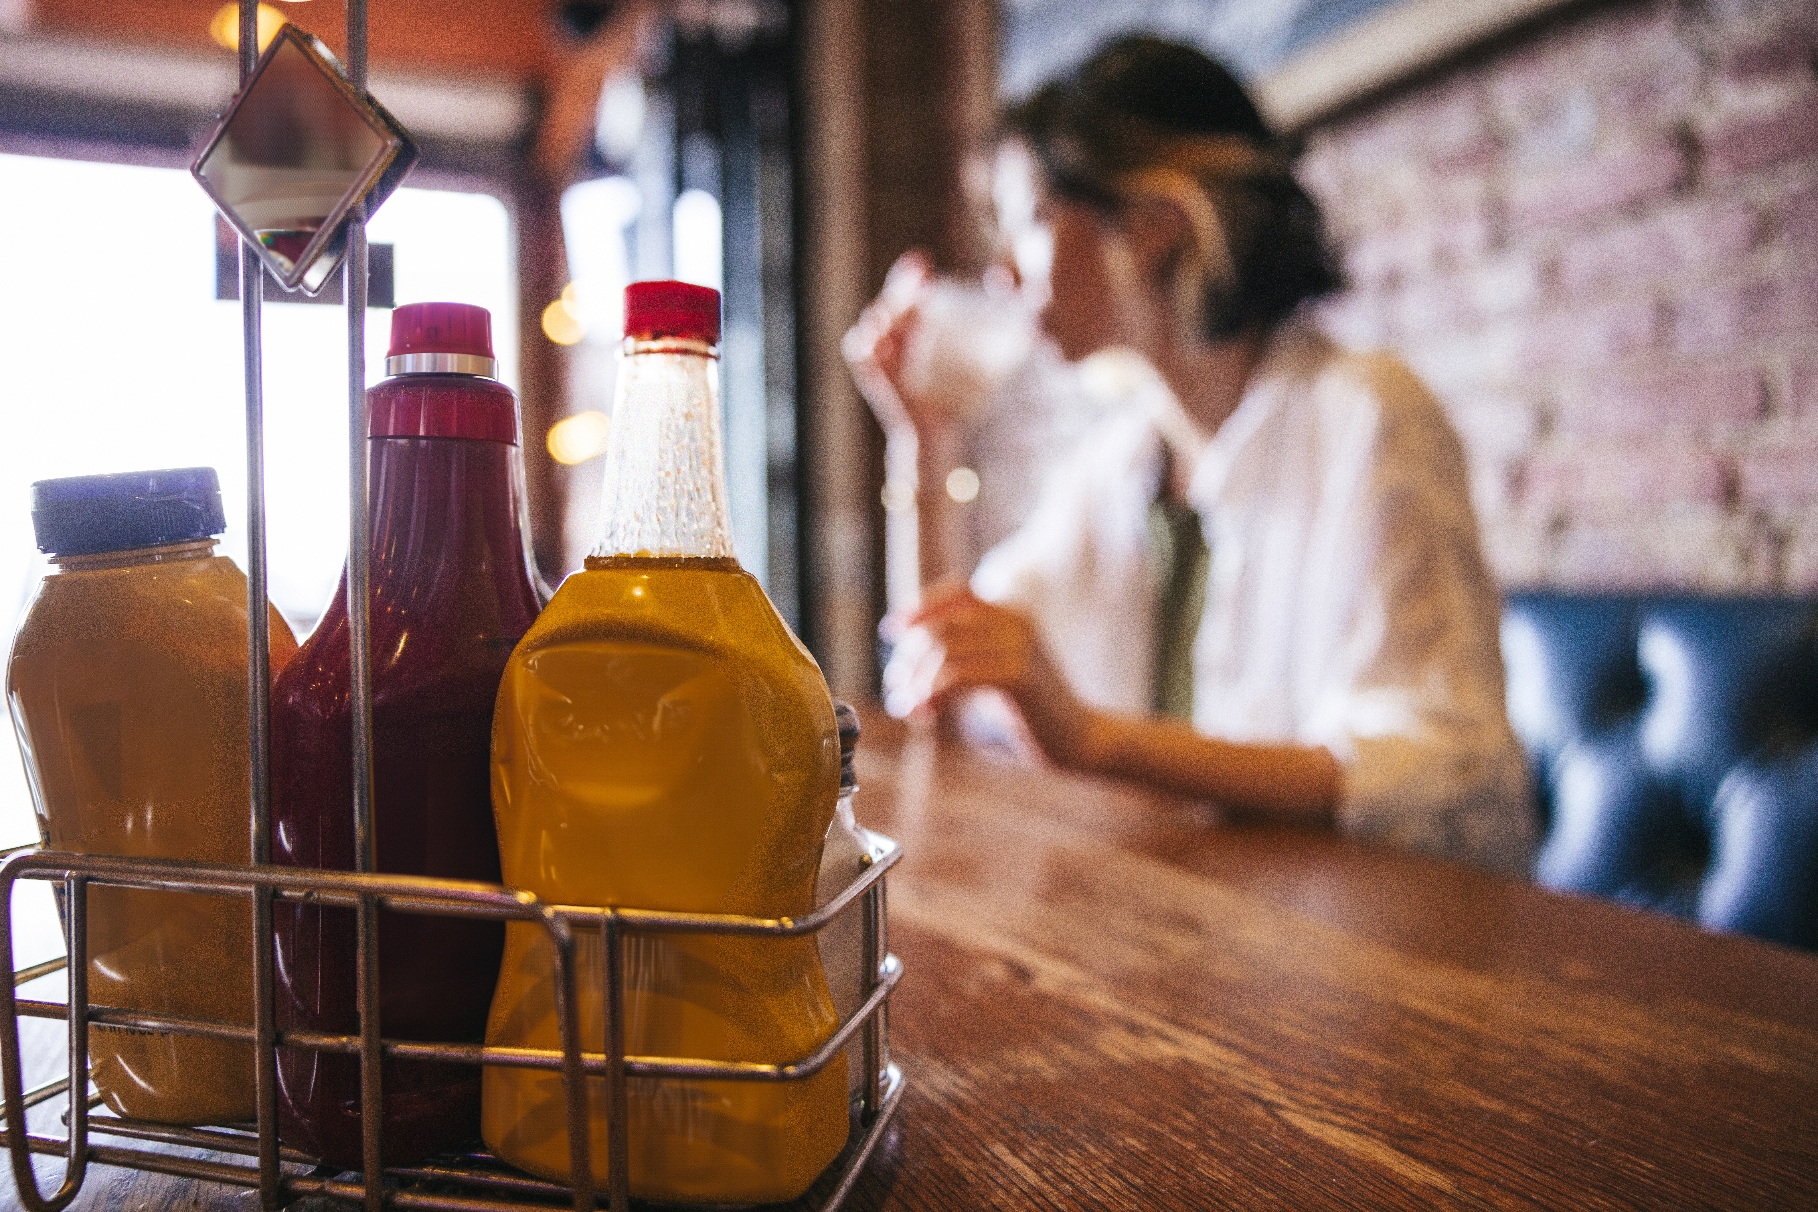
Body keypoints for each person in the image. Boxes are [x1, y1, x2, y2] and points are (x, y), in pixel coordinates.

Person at [844, 35, 1536, 875]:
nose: (1004, 273)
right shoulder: (1123, 463)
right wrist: (921, 440)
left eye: (1028, 221)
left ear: (1151, 228)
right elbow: (944, 684)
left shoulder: (1368, 417)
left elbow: (1434, 779)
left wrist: (1094, 739)